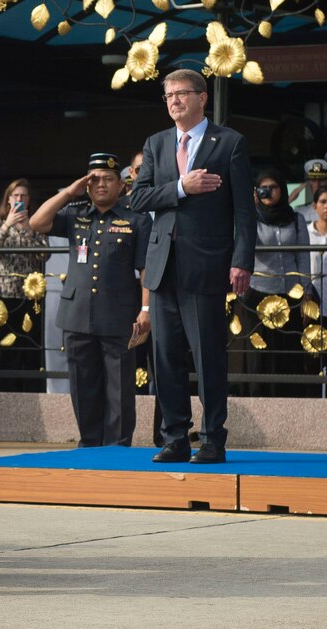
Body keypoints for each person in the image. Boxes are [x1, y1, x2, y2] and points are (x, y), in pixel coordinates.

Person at [130, 68, 255, 465]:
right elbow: (139, 198)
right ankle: (175, 437)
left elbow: (244, 212)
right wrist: (183, 187)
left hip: (207, 265)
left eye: (182, 93)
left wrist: (241, 260)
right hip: (163, 265)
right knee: (165, 356)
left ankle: (213, 438)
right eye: (168, 95)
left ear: (202, 97)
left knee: (208, 356)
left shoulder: (229, 143)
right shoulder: (156, 143)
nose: (174, 101)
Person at [31, 153, 153, 447]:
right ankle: (89, 445)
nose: (101, 184)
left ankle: (117, 448)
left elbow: (146, 268)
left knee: (119, 388)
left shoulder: (135, 220)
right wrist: (69, 193)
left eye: (108, 179)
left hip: (118, 315)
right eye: (94, 179)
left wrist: (146, 309)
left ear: (121, 185)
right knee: (83, 386)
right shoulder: (76, 214)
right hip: (77, 315)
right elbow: (37, 222)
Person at [240, 168, 310, 397]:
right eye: (263, 187)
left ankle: (289, 398)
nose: (268, 192)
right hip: (258, 292)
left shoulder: (296, 218)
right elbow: (243, 245)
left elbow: (303, 257)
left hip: (290, 292)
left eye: (273, 187)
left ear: (282, 189)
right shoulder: (251, 217)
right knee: (259, 351)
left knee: (287, 350)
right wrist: (249, 209)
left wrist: (306, 291)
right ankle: (259, 396)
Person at [0, 179, 48, 391]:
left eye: (23, 196)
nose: (19, 199)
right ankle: (0, 391)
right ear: (8, 199)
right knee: (2, 348)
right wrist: (8, 224)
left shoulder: (36, 223)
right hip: (1, 295)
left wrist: (27, 229)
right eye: (15, 196)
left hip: (28, 295)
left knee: (27, 347)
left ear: (29, 200)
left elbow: (44, 254)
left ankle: (29, 392)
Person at [307, 186, 327, 308]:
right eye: (323, 202)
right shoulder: (305, 233)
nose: (326, 206)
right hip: (312, 301)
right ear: (314, 206)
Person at [290, 158, 327, 224]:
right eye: (313, 180)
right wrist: (290, 198)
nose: (318, 185)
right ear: (309, 185)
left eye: (321, 180)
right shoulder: (301, 212)